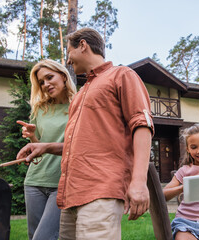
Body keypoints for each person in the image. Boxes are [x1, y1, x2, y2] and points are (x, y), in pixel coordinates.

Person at [16, 27, 154, 240]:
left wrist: (138, 181)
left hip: (101, 190)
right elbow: (77, 146)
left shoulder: (121, 75)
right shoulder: (80, 95)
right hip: (70, 195)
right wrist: (44, 146)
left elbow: (142, 125)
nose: (68, 61)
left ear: (83, 45)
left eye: (69, 53)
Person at [16, 59, 77, 240]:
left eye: (49, 77)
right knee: (34, 236)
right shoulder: (40, 108)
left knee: (43, 238)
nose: (46, 84)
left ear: (64, 76)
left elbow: (82, 146)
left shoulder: (79, 105)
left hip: (61, 182)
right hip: (34, 181)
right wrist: (32, 136)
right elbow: (39, 147)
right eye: (41, 82)